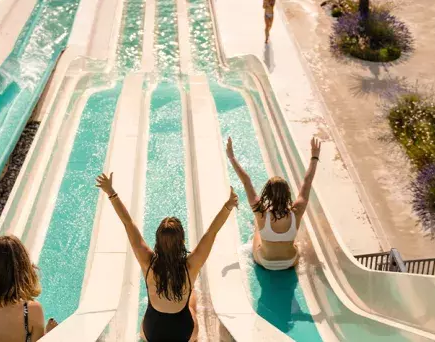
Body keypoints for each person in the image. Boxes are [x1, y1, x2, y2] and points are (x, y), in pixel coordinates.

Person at [97, 172, 237, 342]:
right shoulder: (191, 265)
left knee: (156, 311)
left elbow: (128, 223)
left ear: (157, 241)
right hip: (183, 334)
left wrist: (111, 192)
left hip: (152, 333)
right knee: (192, 295)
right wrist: (228, 205)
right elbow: (211, 232)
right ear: (182, 241)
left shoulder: (147, 261)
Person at [227, 137, 320, 271]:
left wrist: (231, 157)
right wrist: (314, 157)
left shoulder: (261, 212)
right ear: (288, 193)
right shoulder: (297, 211)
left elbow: (246, 181)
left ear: (268, 194)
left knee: (258, 225)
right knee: (295, 241)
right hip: (290, 261)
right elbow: (307, 181)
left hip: (265, 262)